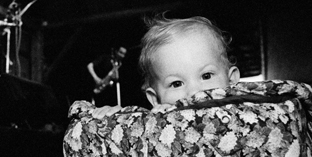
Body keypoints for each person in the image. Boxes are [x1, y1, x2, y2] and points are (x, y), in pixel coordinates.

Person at [92, 15, 240, 118]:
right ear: (155, 99)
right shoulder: (159, 121)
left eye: (206, 76)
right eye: (176, 84)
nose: (194, 92)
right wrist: (116, 119)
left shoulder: (254, 113)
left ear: (232, 80)